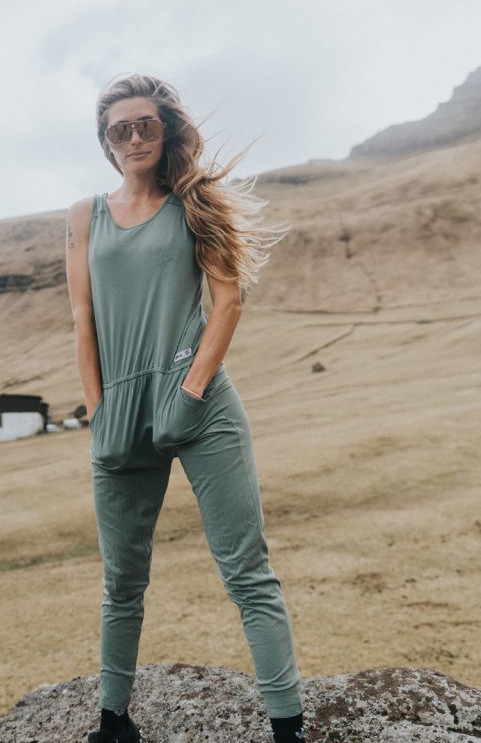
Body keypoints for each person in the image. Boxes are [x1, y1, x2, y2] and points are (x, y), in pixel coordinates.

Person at [65, 74, 307, 743]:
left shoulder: (195, 203)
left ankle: (288, 728)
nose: (133, 137)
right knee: (122, 583)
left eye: (145, 124)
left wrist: (191, 393)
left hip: (201, 405)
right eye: (119, 129)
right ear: (107, 143)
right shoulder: (84, 216)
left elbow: (228, 301)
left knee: (248, 572)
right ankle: (114, 723)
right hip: (121, 414)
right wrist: (99, 412)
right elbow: (83, 319)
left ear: (166, 130)